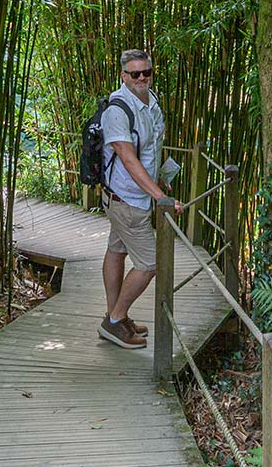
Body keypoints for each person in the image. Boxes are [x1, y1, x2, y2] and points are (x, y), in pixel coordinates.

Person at [98, 48, 180, 349]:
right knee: (149, 263)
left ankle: (116, 316)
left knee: (116, 250)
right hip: (126, 200)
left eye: (146, 72)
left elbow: (149, 151)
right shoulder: (117, 111)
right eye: (135, 73)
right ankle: (115, 321)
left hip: (132, 198)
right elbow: (128, 159)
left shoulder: (151, 101)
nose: (142, 78)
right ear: (124, 75)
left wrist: (158, 179)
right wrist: (158, 195)